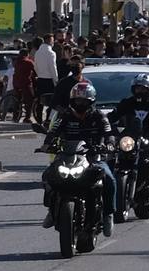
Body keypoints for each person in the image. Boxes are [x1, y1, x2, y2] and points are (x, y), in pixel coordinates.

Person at [39, 80, 116, 235]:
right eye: (77, 100)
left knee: (109, 179)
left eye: (84, 100)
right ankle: (51, 209)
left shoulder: (99, 116)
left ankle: (108, 214)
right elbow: (53, 132)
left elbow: (109, 134)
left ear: (91, 101)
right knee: (48, 176)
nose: (80, 103)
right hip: (67, 156)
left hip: (93, 158)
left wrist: (109, 145)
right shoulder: (65, 115)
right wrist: (47, 145)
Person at [109, 72, 149, 196]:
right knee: (111, 156)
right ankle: (109, 186)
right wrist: (105, 124)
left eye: (143, 89)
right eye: (138, 88)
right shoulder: (127, 103)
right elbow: (113, 116)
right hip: (129, 139)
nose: (140, 91)